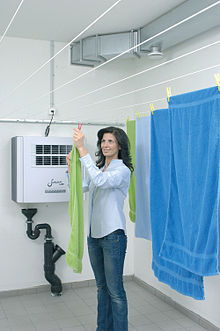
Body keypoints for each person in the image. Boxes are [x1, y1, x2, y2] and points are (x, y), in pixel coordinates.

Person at [67, 126, 133, 331]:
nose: (105, 144)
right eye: (103, 141)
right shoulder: (100, 169)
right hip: (94, 237)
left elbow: (100, 181)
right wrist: (71, 169)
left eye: (110, 141)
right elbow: (81, 187)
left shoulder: (121, 170)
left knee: (115, 292)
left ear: (120, 145)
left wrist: (82, 150)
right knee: (101, 289)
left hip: (113, 237)